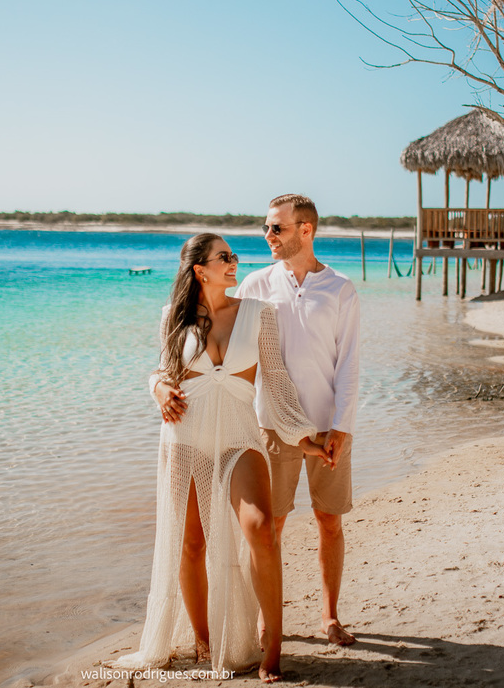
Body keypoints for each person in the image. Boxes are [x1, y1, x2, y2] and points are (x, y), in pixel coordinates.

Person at [112, 233, 332, 683]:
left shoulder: (257, 315)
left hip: (239, 440)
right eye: (224, 257)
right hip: (185, 440)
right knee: (191, 544)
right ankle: (204, 641)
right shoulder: (173, 318)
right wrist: (157, 388)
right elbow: (162, 368)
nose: (234, 263)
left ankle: (271, 649)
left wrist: (303, 436)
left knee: (261, 531)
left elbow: (277, 381)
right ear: (201, 270)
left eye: (233, 256)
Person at [158, 195, 361, 646]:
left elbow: (349, 363)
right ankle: (267, 623)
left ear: (305, 231)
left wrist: (343, 425)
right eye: (267, 228)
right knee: (270, 528)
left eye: (277, 228)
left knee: (330, 521)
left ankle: (329, 617)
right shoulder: (254, 285)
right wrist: (161, 385)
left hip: (329, 422)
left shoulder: (341, 289)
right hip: (268, 424)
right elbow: (209, 331)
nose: (267, 236)